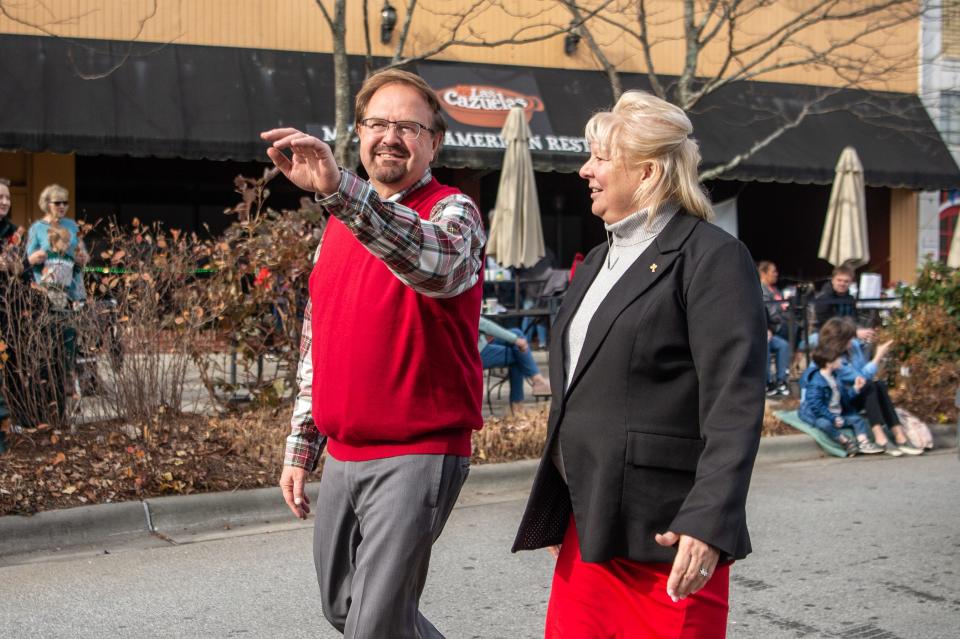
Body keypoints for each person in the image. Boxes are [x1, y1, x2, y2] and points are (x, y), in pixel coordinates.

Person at [512, 90, 767, 638]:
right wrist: (564, 496)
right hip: (590, 522)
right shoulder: (597, 261)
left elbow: (734, 402)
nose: (585, 171)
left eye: (600, 158)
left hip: (669, 538)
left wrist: (709, 521)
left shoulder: (714, 258)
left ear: (648, 172)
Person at [262, 68, 485, 639]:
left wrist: (341, 191)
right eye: (379, 123)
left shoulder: (452, 211)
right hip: (345, 452)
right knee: (344, 607)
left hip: (417, 449)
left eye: (409, 126)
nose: (391, 136)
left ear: (434, 142)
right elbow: (321, 340)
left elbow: (434, 264)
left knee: (375, 624)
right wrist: (301, 445)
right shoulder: (338, 225)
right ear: (358, 132)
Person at [817, 317, 922, 456]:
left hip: (859, 391)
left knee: (879, 384)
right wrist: (878, 356)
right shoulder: (834, 359)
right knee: (869, 386)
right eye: (848, 339)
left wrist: (867, 343)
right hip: (844, 399)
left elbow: (864, 372)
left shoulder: (853, 346)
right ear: (838, 342)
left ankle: (899, 436)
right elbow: (859, 377)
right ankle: (880, 438)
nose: (851, 342)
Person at [799, 343, 882, 456]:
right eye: (838, 358)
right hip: (821, 415)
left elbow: (844, 398)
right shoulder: (816, 382)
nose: (841, 360)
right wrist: (832, 418)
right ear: (829, 363)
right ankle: (845, 441)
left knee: (857, 420)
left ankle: (864, 443)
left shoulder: (836, 377)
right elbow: (816, 405)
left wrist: (855, 389)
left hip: (837, 414)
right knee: (824, 424)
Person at [25, 184, 88, 303]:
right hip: (47, 292)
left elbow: (82, 251)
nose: (62, 206)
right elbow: (27, 261)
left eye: (65, 203)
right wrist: (35, 258)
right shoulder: (37, 228)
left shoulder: (72, 225)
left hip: (75, 290)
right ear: (47, 204)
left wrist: (83, 256)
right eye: (58, 203)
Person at [479, 316, 550, 411]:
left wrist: (515, 339)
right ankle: (518, 408)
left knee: (517, 333)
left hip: (481, 342)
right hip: (475, 351)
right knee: (518, 355)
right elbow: (484, 324)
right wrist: (515, 340)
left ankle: (536, 381)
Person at [759, 261, 791, 397]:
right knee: (765, 344)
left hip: (772, 329)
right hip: (764, 330)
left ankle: (781, 380)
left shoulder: (775, 289)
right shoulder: (760, 289)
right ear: (763, 273)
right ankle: (767, 382)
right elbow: (769, 313)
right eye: (773, 271)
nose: (776, 274)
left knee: (783, 345)